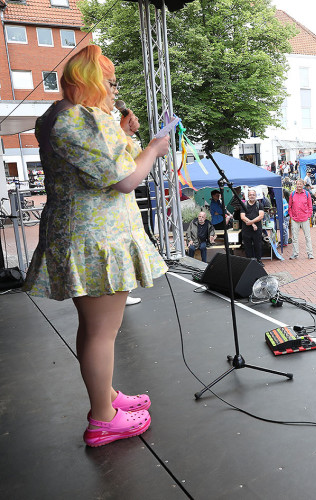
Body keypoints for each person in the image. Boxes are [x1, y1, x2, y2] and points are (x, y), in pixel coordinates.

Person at [23, 45, 170, 446]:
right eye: (108, 80)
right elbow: (124, 180)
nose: (112, 87)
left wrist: (121, 135)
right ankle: (103, 419)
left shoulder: (57, 116)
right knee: (103, 332)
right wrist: (154, 148)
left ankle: (105, 397)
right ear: (91, 80)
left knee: (93, 328)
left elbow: (97, 165)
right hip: (97, 238)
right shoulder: (82, 120)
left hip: (78, 234)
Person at [288, 178, 314, 259]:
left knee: (307, 237)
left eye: (300, 184)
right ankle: (295, 253)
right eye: (298, 184)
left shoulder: (307, 194)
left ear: (303, 185)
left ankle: (310, 253)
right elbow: (290, 206)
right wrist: (291, 216)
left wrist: (309, 215)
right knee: (295, 238)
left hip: (305, 218)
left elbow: (310, 206)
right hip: (295, 219)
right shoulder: (292, 194)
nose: (299, 185)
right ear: (296, 184)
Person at [239, 189, 265, 261]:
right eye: (250, 195)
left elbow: (261, 216)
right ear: (248, 196)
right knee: (247, 246)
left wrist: (251, 222)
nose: (252, 196)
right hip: (246, 230)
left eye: (253, 195)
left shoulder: (259, 205)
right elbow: (242, 217)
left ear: (256, 196)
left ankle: (259, 260)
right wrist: (253, 224)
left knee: (258, 245)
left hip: (257, 229)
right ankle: (249, 261)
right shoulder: (244, 205)